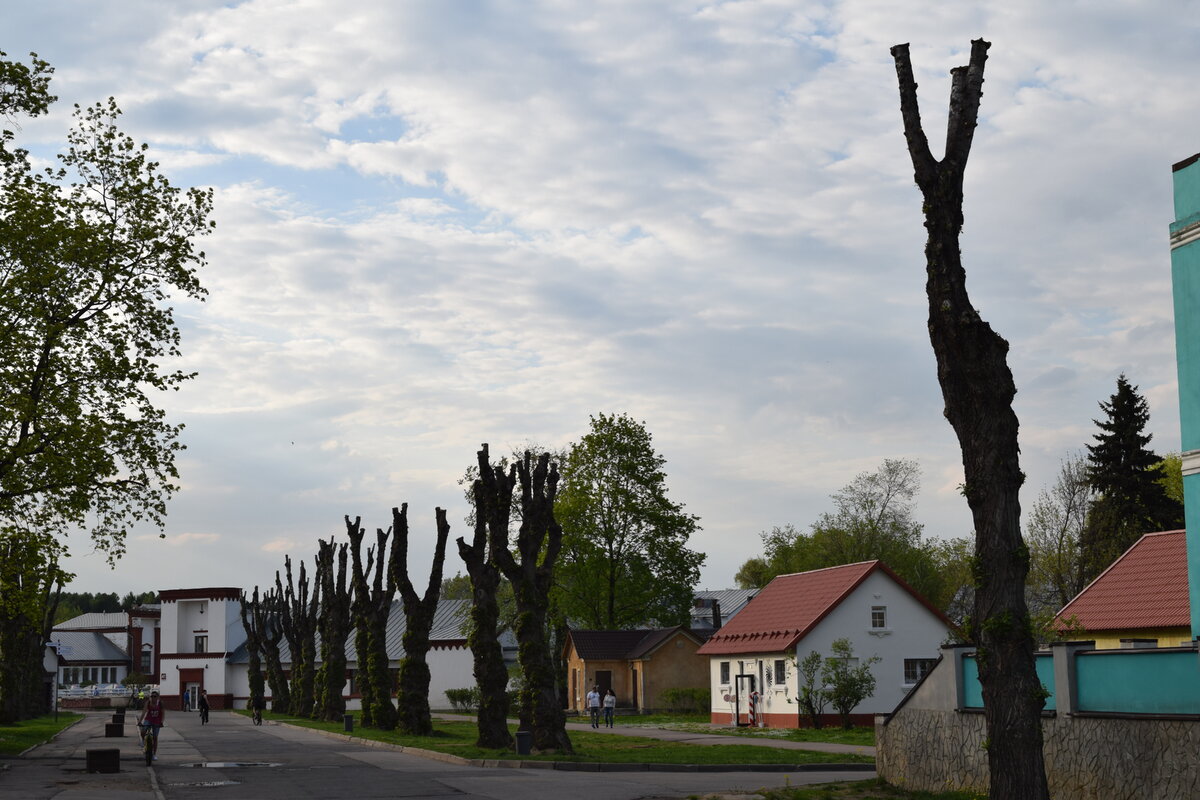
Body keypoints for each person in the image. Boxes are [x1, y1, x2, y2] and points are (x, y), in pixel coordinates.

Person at [137, 690, 166, 761]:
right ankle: (143, 741)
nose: (153, 698)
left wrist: (161, 722)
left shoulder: (160, 703)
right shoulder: (148, 702)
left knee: (155, 738)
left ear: (158, 697)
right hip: (148, 720)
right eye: (152, 696)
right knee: (143, 731)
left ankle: (154, 755)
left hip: (157, 721)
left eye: (155, 696)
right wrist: (140, 721)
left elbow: (163, 713)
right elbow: (144, 712)